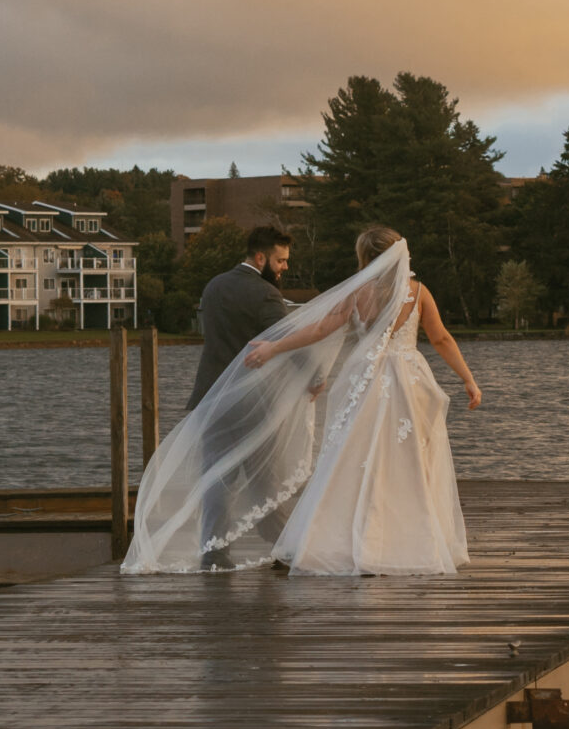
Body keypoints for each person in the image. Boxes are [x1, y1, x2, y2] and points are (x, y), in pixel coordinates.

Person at [124, 226, 482, 577]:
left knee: (351, 460)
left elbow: (319, 329)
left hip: (351, 383)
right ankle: (404, 540)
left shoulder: (351, 293)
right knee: (407, 460)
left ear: (366, 258)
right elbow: (441, 338)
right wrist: (467, 378)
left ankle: (235, 549)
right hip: (405, 383)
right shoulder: (417, 292)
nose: (285, 266)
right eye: (280, 260)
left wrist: (275, 347)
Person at [188, 224, 293, 411]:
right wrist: (316, 377)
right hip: (246, 402)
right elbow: (288, 339)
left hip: (206, 398)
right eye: (280, 260)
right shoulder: (267, 293)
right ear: (260, 258)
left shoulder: (213, 285)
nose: (285, 267)